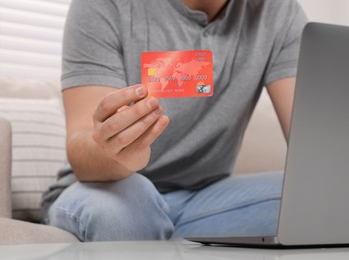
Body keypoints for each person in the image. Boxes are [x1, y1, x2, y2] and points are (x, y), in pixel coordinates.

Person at [41, 0, 308, 241]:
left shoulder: (277, 11)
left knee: (319, 200)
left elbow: (312, 145)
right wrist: (118, 154)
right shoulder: (105, 5)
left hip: (206, 198)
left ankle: (162, 235)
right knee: (127, 208)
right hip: (106, 190)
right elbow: (82, 154)